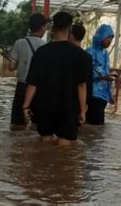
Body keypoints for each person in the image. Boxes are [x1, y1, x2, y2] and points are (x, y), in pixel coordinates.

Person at [23, 11, 90, 146]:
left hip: (44, 105)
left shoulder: (41, 52)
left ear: (52, 28)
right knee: (64, 149)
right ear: (70, 29)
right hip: (68, 107)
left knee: (45, 144)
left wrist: (25, 106)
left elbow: (33, 83)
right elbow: (81, 86)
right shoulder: (80, 55)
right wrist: (82, 111)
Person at [8, 13, 48, 125]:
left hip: (22, 87)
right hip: (39, 89)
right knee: (37, 125)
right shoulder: (46, 46)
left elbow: (11, 67)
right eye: (45, 26)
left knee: (17, 124)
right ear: (42, 27)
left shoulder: (19, 43)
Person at [86, 24, 116, 125]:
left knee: (99, 126)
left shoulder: (105, 53)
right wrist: (101, 77)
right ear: (101, 36)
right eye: (108, 38)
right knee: (94, 124)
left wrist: (110, 95)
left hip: (103, 95)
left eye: (111, 39)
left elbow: (105, 71)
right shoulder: (90, 52)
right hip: (93, 94)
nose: (110, 41)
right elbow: (86, 74)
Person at [69, 23, 93, 120]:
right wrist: (84, 107)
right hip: (79, 101)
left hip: (64, 98)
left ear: (71, 35)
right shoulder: (87, 57)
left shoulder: (65, 54)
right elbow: (87, 83)